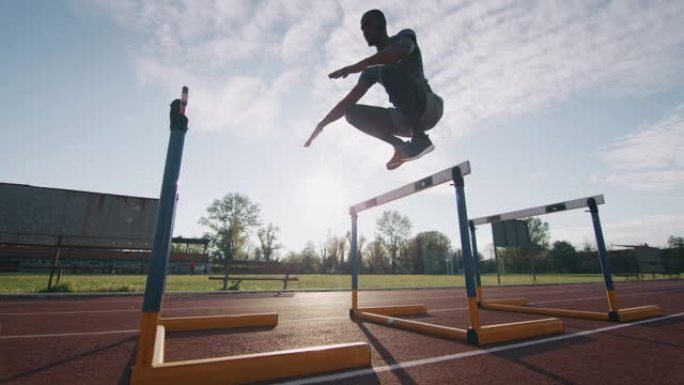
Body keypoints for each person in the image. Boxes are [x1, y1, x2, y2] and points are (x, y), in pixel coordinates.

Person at [304, 9, 443, 170]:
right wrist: (322, 124)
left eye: (368, 25)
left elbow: (401, 51)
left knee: (386, 69)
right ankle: (400, 146)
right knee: (351, 112)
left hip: (428, 106)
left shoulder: (403, 37)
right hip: (404, 120)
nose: (365, 32)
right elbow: (348, 101)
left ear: (382, 24)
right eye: (362, 29)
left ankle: (421, 139)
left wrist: (359, 65)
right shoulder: (371, 71)